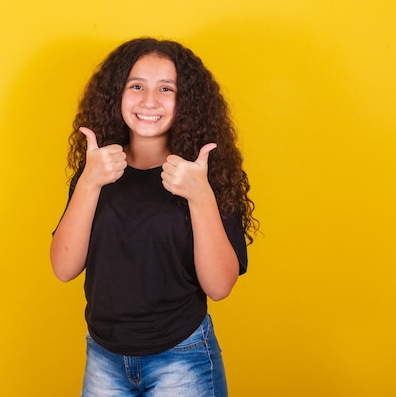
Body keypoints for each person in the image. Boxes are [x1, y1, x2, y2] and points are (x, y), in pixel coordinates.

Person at [50, 37, 258, 397]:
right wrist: (88, 182)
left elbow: (220, 287)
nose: (149, 100)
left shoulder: (206, 175)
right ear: (117, 93)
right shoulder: (96, 169)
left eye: (166, 88)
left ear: (186, 101)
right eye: (137, 86)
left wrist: (200, 196)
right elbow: (64, 268)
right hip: (104, 356)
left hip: (182, 358)